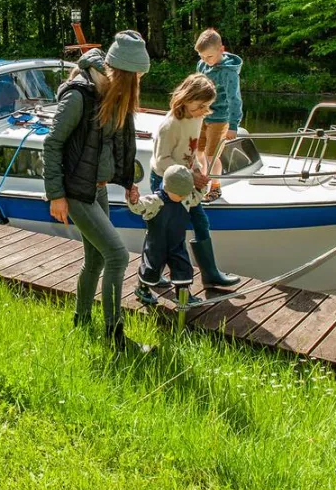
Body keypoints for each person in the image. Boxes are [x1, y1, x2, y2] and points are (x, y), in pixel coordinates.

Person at [43, 30, 151, 353]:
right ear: (122, 73)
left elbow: (113, 145)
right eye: (136, 79)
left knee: (95, 260)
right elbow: (52, 144)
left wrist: (128, 181)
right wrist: (56, 195)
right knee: (117, 255)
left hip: (98, 189)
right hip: (76, 191)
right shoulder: (79, 96)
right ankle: (114, 337)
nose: (137, 86)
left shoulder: (110, 95)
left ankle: (82, 321)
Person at [148, 73, 240, 289]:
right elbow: (162, 162)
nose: (204, 111)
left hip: (186, 179)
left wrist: (199, 171)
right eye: (200, 105)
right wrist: (191, 176)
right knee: (165, 230)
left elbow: (190, 151)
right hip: (166, 182)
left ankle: (210, 274)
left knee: (200, 221)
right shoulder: (170, 125)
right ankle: (152, 275)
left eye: (207, 106)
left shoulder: (197, 117)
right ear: (186, 97)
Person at [130, 164, 207, 306]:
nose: (184, 197)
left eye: (185, 193)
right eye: (180, 194)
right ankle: (143, 288)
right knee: (151, 266)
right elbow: (139, 207)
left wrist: (202, 186)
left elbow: (197, 197)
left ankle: (183, 293)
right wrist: (133, 200)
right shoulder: (155, 201)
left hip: (177, 242)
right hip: (156, 243)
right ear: (167, 188)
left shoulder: (185, 198)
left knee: (183, 265)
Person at [195, 28, 243, 203]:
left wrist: (233, 125)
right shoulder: (202, 64)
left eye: (209, 57)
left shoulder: (228, 73)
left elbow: (234, 100)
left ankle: (215, 187)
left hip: (219, 119)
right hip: (201, 116)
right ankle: (201, 181)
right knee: (197, 151)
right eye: (202, 57)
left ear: (221, 50)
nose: (205, 61)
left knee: (211, 155)